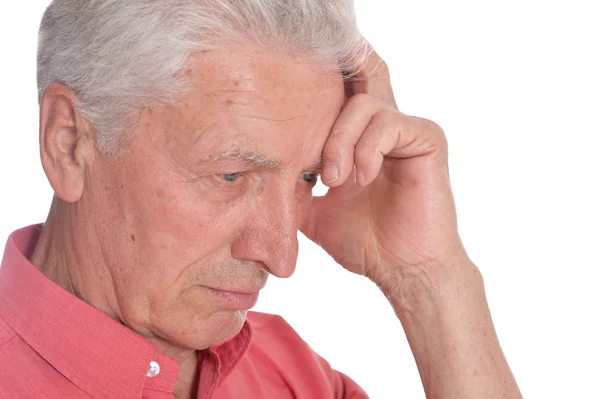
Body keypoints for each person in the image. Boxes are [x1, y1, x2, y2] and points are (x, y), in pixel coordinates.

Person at [0, 0, 522, 398]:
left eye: (309, 177)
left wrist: (430, 277)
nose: (281, 256)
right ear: (69, 143)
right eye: (231, 175)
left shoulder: (292, 373)